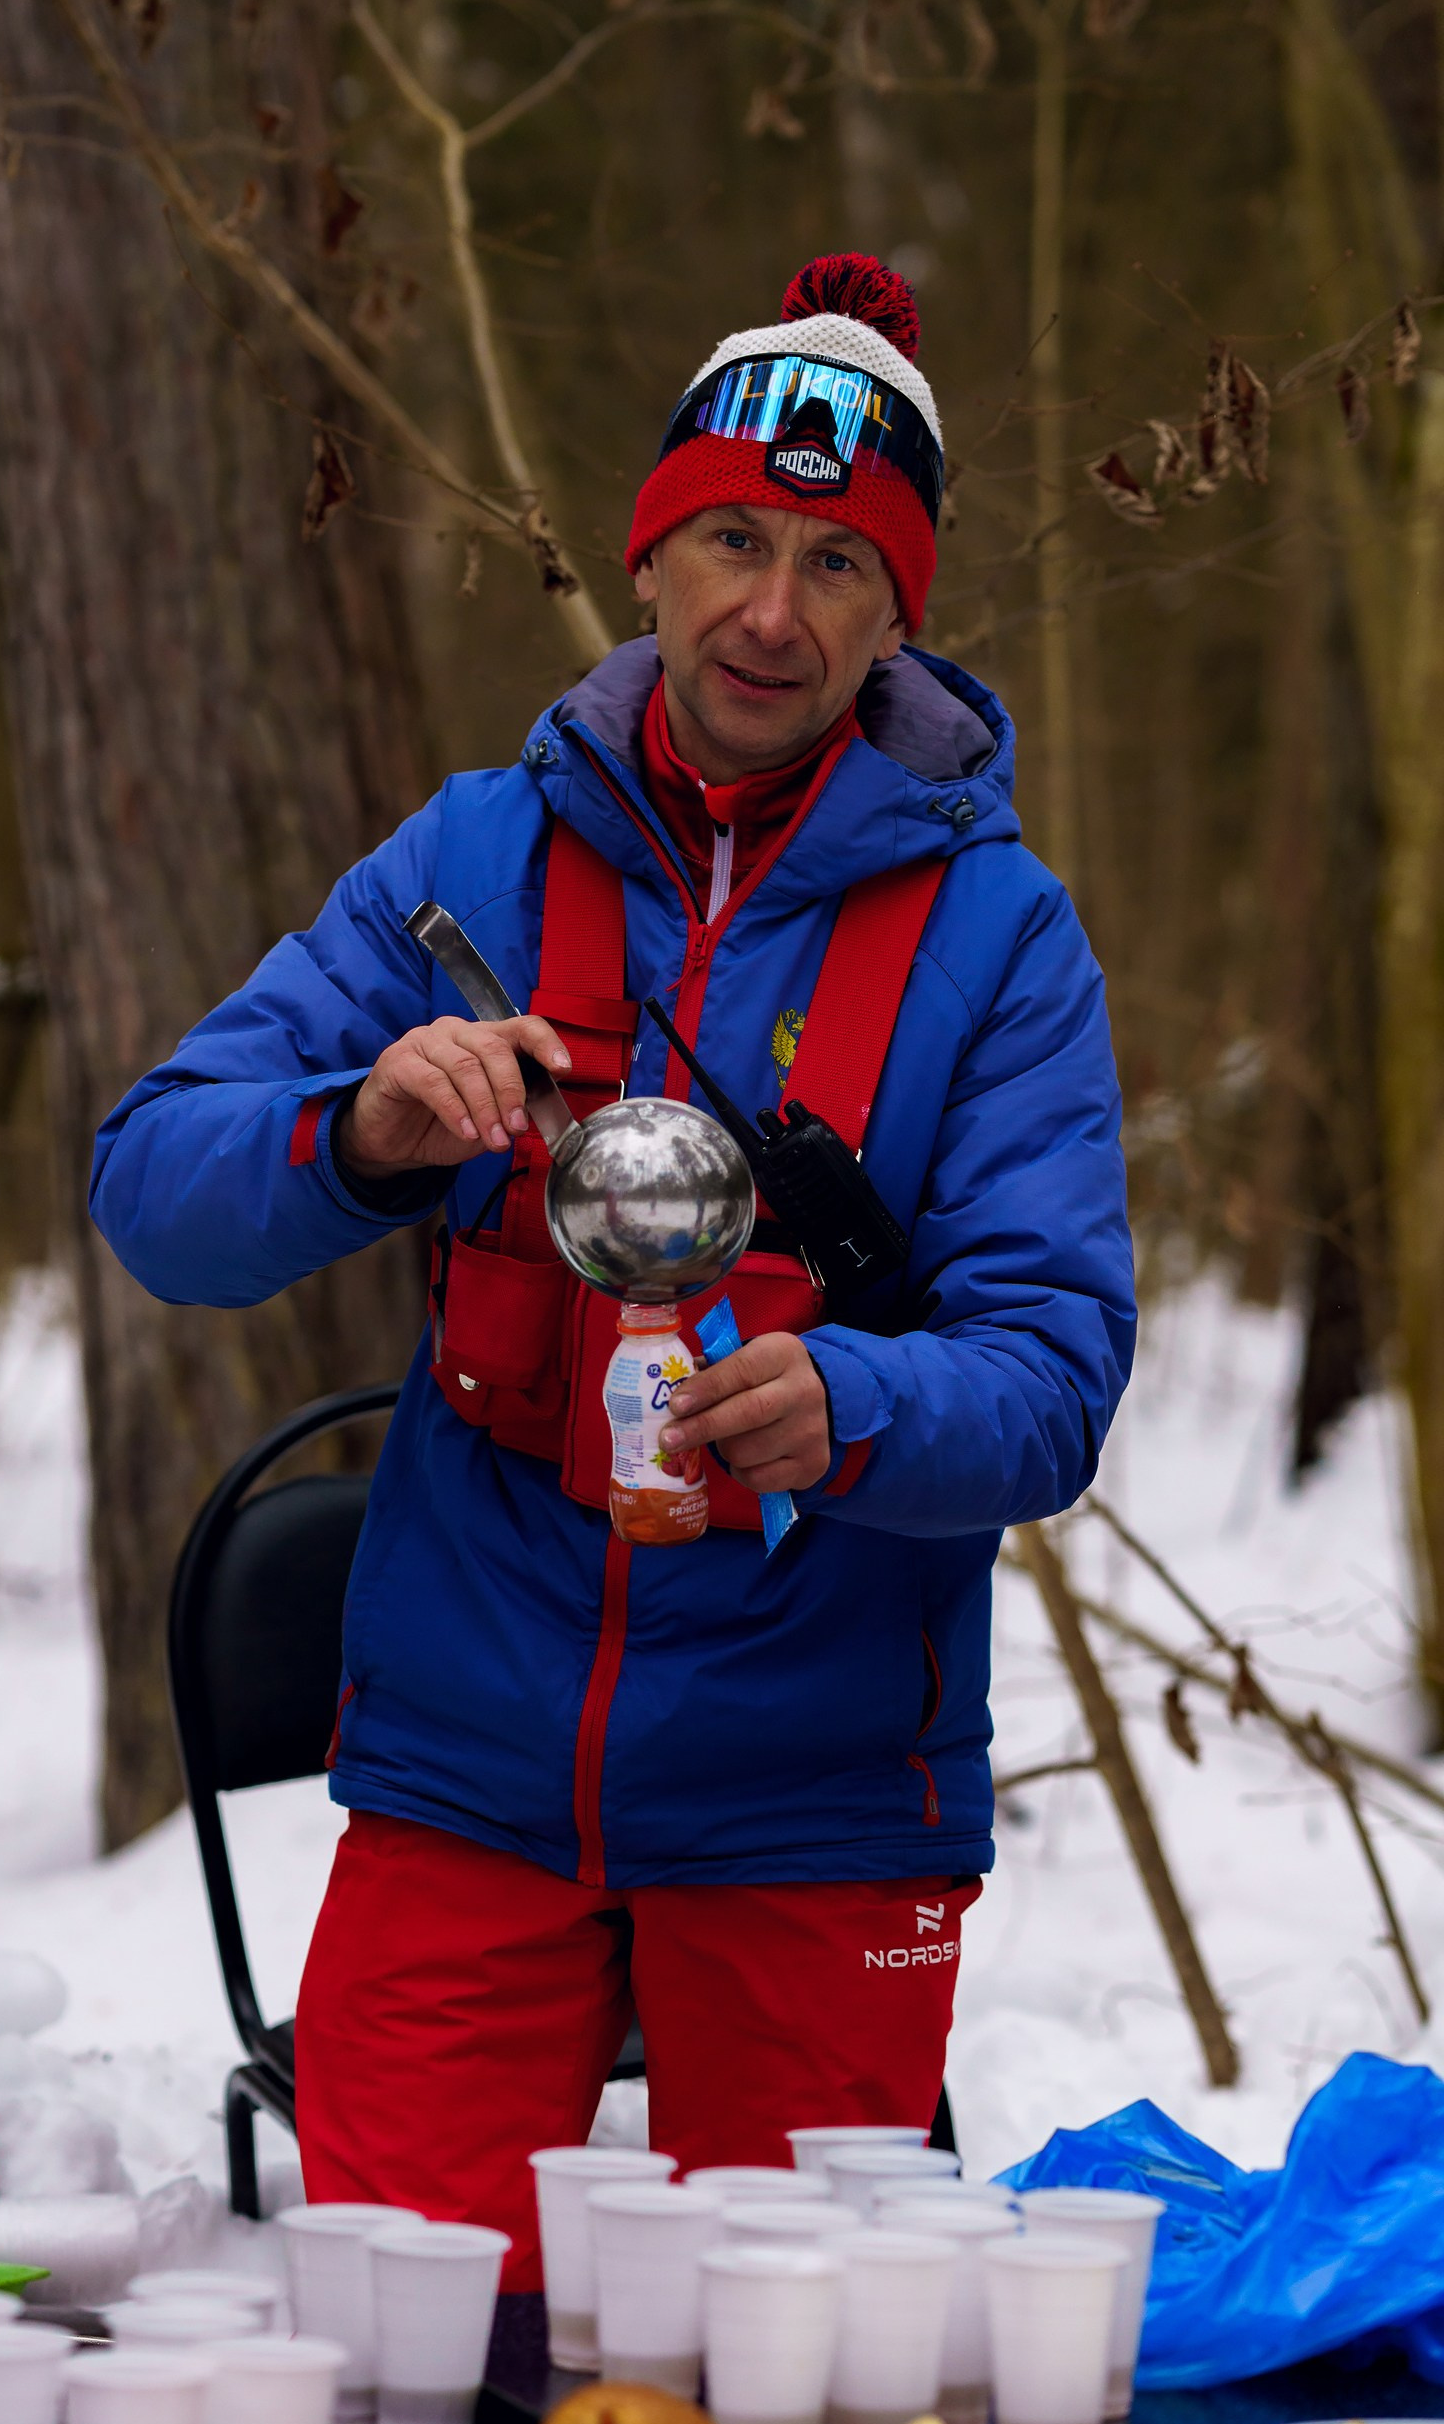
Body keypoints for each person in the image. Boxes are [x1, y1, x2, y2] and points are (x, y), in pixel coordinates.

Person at [93, 252, 1135, 2283]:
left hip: (822, 1793)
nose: (772, 608)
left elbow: (1052, 1376)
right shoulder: (467, 864)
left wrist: (859, 1404)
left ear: (897, 608)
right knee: (409, 2388)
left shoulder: (1000, 940)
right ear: (645, 556)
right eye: (733, 538)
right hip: (465, 1771)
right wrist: (360, 1132)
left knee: (802, 2412)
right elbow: (152, 1186)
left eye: (840, 562)